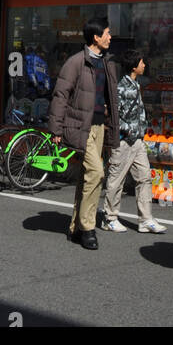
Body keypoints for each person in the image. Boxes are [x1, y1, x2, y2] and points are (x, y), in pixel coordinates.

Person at [48, 16, 118, 250]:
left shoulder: (107, 62)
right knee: (97, 173)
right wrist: (56, 128)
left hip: (99, 125)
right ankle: (88, 228)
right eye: (107, 33)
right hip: (80, 126)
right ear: (96, 37)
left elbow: (110, 97)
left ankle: (75, 228)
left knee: (87, 176)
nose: (110, 37)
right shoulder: (76, 62)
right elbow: (61, 96)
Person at [101, 48, 166, 235]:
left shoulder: (135, 85)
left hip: (137, 140)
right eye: (141, 62)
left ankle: (145, 220)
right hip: (123, 141)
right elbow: (114, 115)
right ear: (134, 66)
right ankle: (110, 218)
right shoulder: (121, 87)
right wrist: (127, 129)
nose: (144, 65)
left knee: (144, 177)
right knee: (116, 180)